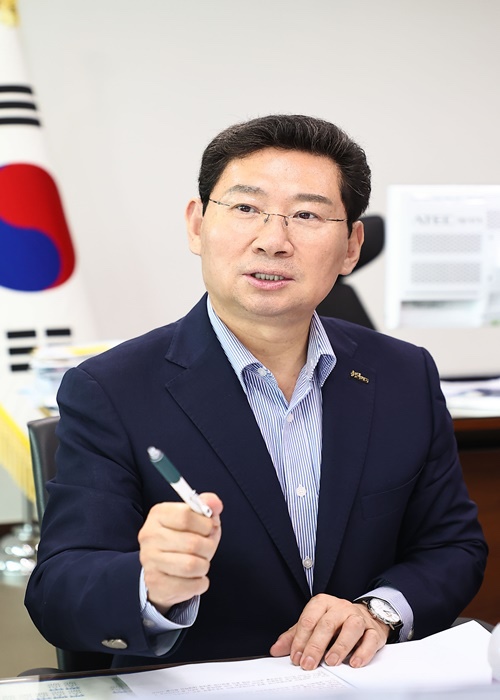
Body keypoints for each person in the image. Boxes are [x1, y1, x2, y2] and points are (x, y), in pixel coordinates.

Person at [25, 114, 487, 672]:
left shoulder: (403, 374)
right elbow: (58, 590)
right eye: (246, 208)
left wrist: (380, 611)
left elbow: (452, 547)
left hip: (360, 683)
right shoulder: (110, 389)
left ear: (351, 246)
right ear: (197, 226)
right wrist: (150, 585)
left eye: (307, 215)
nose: (273, 241)